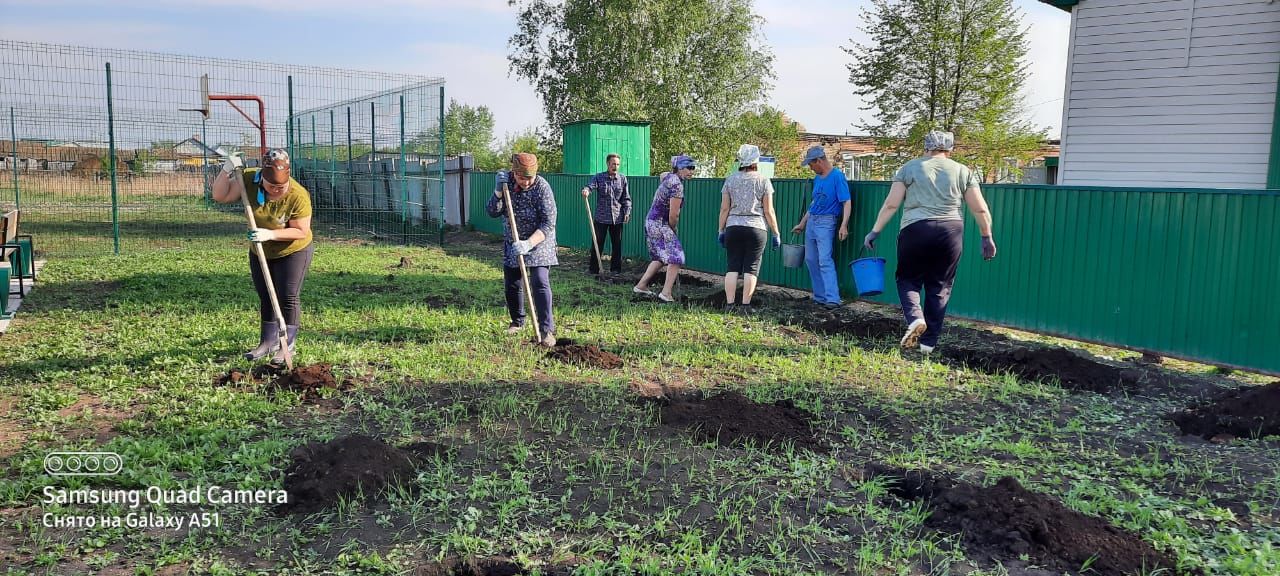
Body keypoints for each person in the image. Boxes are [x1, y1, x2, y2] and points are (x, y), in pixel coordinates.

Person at [863, 130, 997, 354]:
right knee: (940, 287)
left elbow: (891, 205)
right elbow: (980, 208)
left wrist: (875, 231)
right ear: (950, 148)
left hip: (915, 229)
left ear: (926, 147)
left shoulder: (909, 168)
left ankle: (915, 318)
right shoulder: (963, 171)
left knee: (907, 279)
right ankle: (928, 343)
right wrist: (987, 236)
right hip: (950, 231)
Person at [211, 148, 314, 364]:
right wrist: (227, 170)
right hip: (260, 251)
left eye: (281, 187)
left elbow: (301, 231)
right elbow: (220, 195)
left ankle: (288, 345)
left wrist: (271, 234)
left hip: (293, 250)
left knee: (287, 296)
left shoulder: (298, 195)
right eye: (272, 186)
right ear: (262, 180)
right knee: (266, 295)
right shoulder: (248, 179)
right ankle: (267, 342)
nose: (277, 190)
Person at [486, 153, 559, 347]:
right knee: (512, 282)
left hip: (539, 240)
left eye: (530, 178)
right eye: (521, 177)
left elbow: (548, 223)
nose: (526, 182)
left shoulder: (542, 187)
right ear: (514, 172)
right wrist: (498, 193)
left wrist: (529, 243)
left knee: (540, 281)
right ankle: (517, 321)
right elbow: (492, 211)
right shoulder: (505, 183)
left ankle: (546, 330)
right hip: (514, 239)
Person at [717, 144, 781, 314]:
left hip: (733, 227)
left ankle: (729, 305)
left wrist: (721, 230)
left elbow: (724, 209)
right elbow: (769, 210)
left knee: (732, 267)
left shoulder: (730, 180)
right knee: (751, 268)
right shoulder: (763, 180)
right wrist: (776, 233)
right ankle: (745, 306)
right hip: (756, 228)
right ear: (756, 160)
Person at [792, 145, 851, 308]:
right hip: (812, 222)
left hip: (827, 221)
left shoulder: (837, 177)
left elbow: (846, 202)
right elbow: (814, 204)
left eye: (811, 164)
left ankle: (833, 298)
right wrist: (802, 223)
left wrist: (843, 225)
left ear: (819, 161)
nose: (810, 168)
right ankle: (820, 297)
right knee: (810, 259)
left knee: (824, 259)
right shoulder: (818, 179)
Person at [634, 155, 696, 302]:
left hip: (651, 221)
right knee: (677, 257)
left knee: (660, 257)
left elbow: (662, 174)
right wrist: (673, 228)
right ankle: (666, 293)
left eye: (693, 168)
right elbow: (674, 215)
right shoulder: (677, 186)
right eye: (688, 168)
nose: (692, 171)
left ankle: (641, 285)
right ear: (679, 168)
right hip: (661, 224)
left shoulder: (669, 177)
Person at [581, 153, 632, 275]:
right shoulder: (599, 177)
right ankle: (594, 270)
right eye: (613, 164)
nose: (616, 166)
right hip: (601, 218)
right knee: (597, 244)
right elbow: (590, 186)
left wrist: (627, 211)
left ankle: (615, 270)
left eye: (618, 164)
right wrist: (586, 190)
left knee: (617, 245)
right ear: (608, 164)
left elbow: (626, 198)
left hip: (617, 218)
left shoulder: (622, 179)